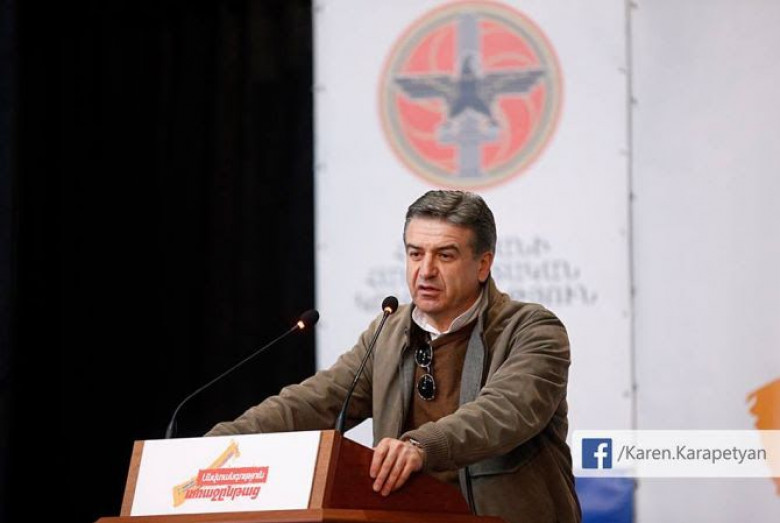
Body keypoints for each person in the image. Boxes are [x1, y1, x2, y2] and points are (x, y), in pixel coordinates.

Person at [207, 190, 581, 523]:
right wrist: (218, 444)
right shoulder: (389, 331)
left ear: (483, 265)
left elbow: (504, 412)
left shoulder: (533, 330)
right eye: (415, 254)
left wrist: (421, 446)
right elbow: (315, 402)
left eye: (445, 255)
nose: (426, 271)